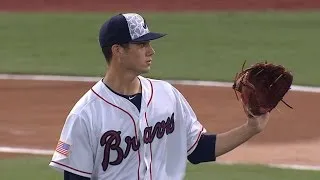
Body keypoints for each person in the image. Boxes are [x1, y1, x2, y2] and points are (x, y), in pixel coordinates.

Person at [49, 13, 270, 180]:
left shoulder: (166, 95)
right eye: (142, 44)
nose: (151, 51)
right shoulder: (86, 115)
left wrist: (251, 128)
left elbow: (198, 149)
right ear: (118, 51)